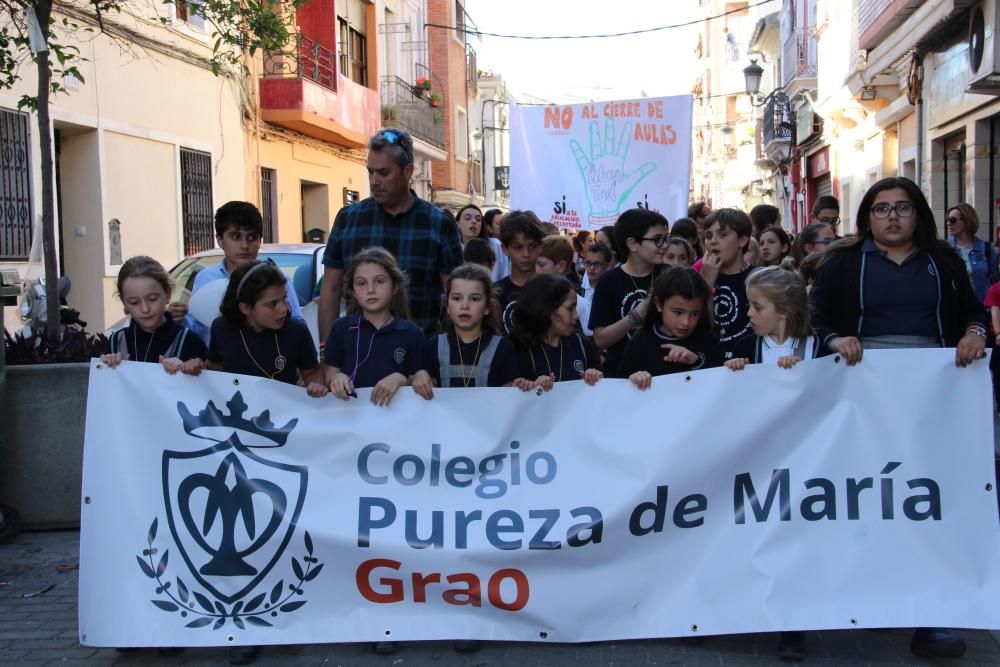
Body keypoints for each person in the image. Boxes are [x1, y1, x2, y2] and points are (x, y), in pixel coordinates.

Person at [810, 177, 987, 660]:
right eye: (882, 208)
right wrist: (833, 341)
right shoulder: (844, 264)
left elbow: (975, 312)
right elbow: (818, 317)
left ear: (919, 215)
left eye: (903, 208)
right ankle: (857, 599)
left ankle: (929, 620)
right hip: (861, 396)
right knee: (866, 498)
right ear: (866, 216)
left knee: (924, 502)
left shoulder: (943, 262)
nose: (892, 217)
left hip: (931, 398)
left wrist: (973, 333)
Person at [319, 128, 463, 337]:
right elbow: (330, 289)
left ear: (408, 171)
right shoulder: (348, 219)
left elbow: (455, 293)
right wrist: (326, 352)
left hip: (420, 357)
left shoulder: (438, 224)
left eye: (383, 173)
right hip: (359, 355)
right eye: (370, 171)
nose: (374, 181)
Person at [169, 201, 304, 345]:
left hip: (266, 363)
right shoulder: (205, 278)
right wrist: (179, 319)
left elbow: (298, 326)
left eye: (252, 237)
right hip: (217, 365)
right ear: (220, 240)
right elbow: (199, 328)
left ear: (260, 241)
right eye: (235, 237)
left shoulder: (278, 280)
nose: (244, 245)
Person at [205, 260, 327, 396]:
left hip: (283, 411)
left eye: (284, 298)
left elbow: (312, 372)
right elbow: (214, 367)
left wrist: (315, 385)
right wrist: (198, 367)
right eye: (272, 304)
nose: (283, 309)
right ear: (245, 307)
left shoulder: (296, 331)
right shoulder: (221, 328)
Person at [324, 247, 423, 409]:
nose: (370, 290)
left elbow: (420, 379)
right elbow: (329, 374)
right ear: (353, 291)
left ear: (395, 286)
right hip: (350, 422)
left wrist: (400, 379)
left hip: (398, 426)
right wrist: (337, 378)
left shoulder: (412, 334)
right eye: (361, 283)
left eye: (379, 281)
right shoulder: (340, 329)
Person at [413, 264, 519, 396]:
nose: (464, 306)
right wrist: (419, 374)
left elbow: (510, 399)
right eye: (457, 298)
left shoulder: (503, 348)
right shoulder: (432, 347)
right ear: (447, 305)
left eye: (474, 299)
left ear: (487, 307)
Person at [588, 209, 669, 377]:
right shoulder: (609, 281)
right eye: (657, 240)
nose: (665, 245)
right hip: (621, 377)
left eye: (666, 238)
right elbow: (600, 339)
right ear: (632, 244)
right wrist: (636, 316)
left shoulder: (670, 275)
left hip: (665, 375)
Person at [620, 267, 722, 389]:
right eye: (678, 312)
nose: (686, 322)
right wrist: (633, 379)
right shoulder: (641, 340)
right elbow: (620, 381)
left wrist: (696, 362)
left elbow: (720, 384)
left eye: (694, 314)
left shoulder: (708, 340)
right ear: (659, 304)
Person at [102, 256, 207, 374]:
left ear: (168, 294)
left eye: (152, 299)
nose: (145, 309)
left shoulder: (189, 340)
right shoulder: (116, 341)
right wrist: (106, 366)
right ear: (124, 302)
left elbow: (207, 385)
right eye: (134, 302)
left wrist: (192, 369)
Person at [511, 274, 602, 391]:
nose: (576, 316)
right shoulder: (518, 350)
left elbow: (601, 391)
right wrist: (531, 387)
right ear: (548, 309)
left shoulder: (581, 345)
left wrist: (596, 377)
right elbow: (511, 397)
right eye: (570, 309)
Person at [725, 265, 825, 371]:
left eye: (757, 307)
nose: (749, 313)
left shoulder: (816, 345)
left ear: (784, 310)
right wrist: (732, 370)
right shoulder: (745, 347)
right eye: (748, 305)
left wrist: (803, 369)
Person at [701, 208, 755, 359]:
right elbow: (700, 326)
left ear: (742, 240)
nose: (713, 241)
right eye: (708, 236)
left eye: (723, 235)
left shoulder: (759, 277)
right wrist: (706, 282)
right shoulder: (696, 279)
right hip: (712, 364)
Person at [493, 210, 545, 336]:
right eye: (518, 247)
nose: (526, 254)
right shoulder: (495, 292)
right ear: (505, 249)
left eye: (532, 246)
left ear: (540, 247)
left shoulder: (553, 289)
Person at [535, 236, 592, 335]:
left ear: (560, 266)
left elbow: (589, 340)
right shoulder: (534, 298)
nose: (535, 270)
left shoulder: (581, 305)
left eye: (541, 264)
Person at [946, 203, 999, 302]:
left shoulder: (986, 249)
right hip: (954, 310)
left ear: (967, 221)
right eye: (947, 220)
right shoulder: (944, 250)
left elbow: (995, 281)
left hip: (982, 309)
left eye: (952, 220)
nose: (948, 223)